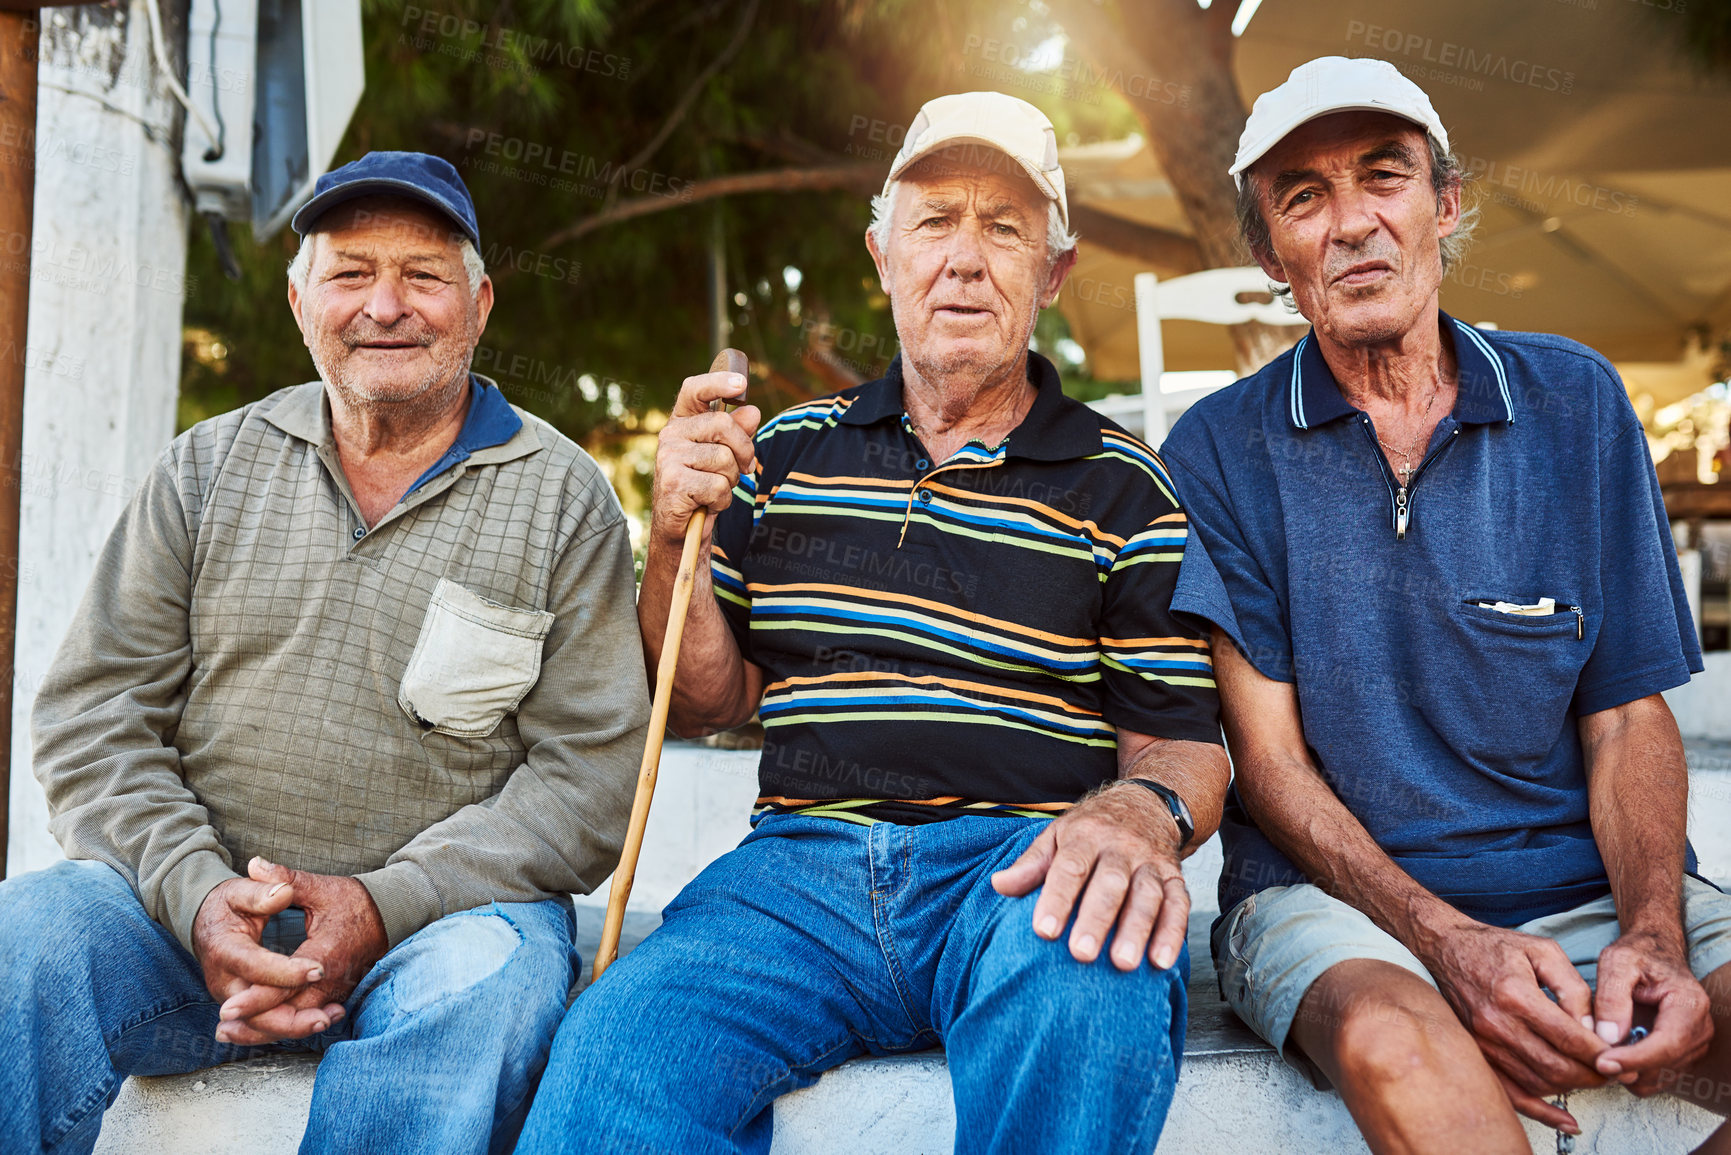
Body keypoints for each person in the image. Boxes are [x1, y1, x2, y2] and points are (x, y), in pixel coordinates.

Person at [517, 91, 1229, 1155]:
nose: (967, 258)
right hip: (792, 881)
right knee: (615, 1058)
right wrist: (673, 540)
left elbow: (1181, 748)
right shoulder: (787, 453)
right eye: (936, 221)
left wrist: (1129, 823)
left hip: (1016, 874)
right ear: (882, 253)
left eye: (1005, 229)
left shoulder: (1125, 486)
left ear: (1054, 273)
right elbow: (704, 696)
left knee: (1093, 986)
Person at [0, 151, 650, 1155]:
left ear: (478, 304)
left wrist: (383, 908)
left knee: (487, 994)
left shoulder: (564, 500)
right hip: (183, 935)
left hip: (435, 936)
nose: (384, 305)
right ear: (301, 300)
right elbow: (94, 718)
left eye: (423, 276)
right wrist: (200, 895)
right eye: (350, 273)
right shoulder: (206, 469)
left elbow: (589, 779)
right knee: (32, 934)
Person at [1161, 56, 1731, 1154]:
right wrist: (1449, 942)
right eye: (1304, 198)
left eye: (1385, 178)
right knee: (1395, 1046)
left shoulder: (1577, 401)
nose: (1353, 225)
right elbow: (1271, 767)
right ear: (1269, 255)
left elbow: (1627, 715)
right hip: (1333, 910)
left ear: (1446, 203)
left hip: (1591, 890)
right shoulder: (1219, 451)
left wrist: (1654, 934)